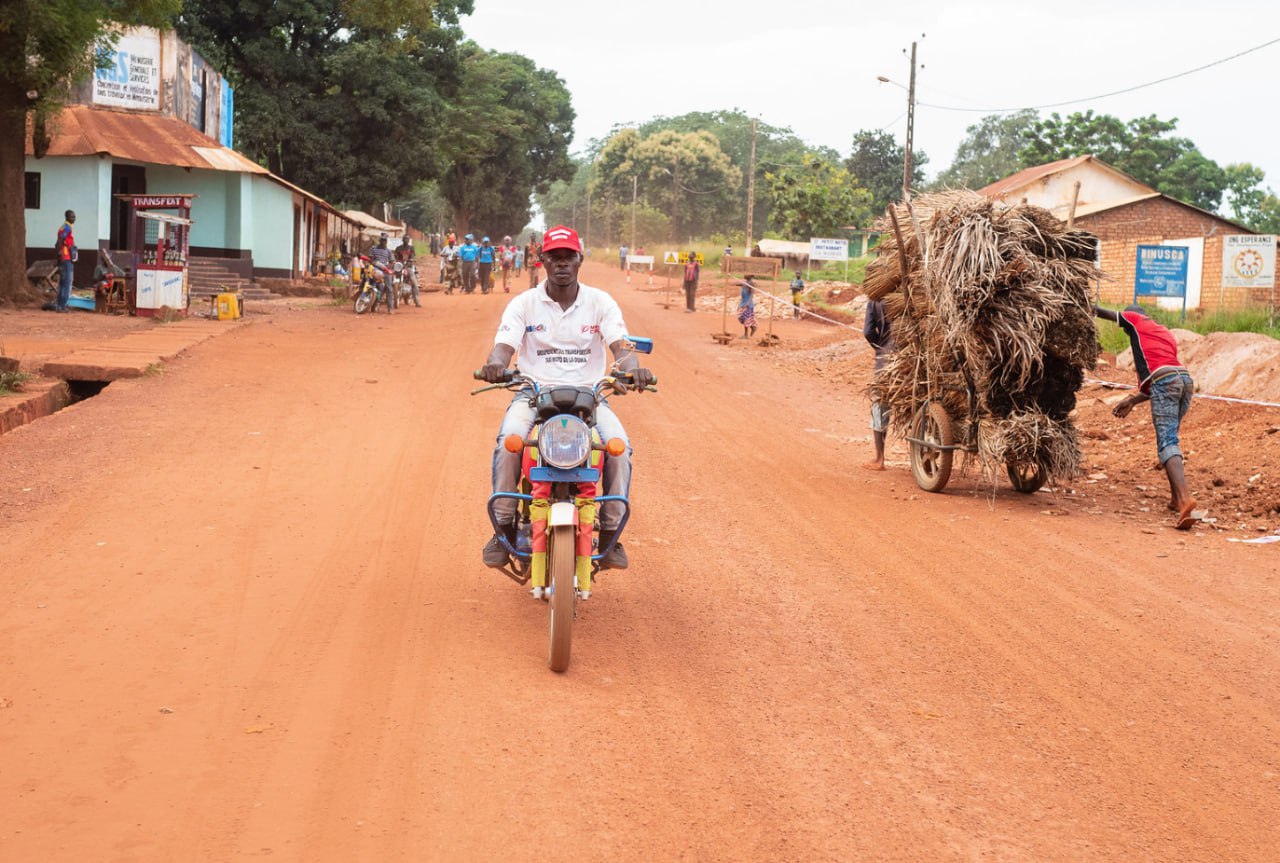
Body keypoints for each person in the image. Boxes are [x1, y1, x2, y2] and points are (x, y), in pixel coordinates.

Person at [477, 225, 654, 576]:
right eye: (554, 257)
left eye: (568, 257)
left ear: (579, 260)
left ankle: (610, 535)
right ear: (541, 259)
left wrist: (634, 369)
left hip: (591, 395)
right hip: (533, 393)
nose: (561, 264)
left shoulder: (600, 302)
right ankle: (504, 527)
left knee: (620, 447)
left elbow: (621, 347)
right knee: (509, 443)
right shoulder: (524, 304)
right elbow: (504, 347)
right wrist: (496, 365)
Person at [1095, 303, 1199, 529]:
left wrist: (1078, 302)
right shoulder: (1164, 333)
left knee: (1167, 441)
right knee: (1170, 438)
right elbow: (1162, 373)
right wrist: (1132, 401)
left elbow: (1103, 313)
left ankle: (1184, 500)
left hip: (1166, 382)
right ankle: (1175, 499)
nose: (1125, 330)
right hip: (1184, 381)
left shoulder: (1136, 319)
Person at [862, 298, 895, 470]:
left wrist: (880, 348)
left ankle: (879, 458)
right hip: (914, 358)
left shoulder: (875, 300)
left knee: (880, 403)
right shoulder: (912, 290)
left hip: (886, 360)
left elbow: (868, 331)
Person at [54, 210, 77, 313]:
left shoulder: (62, 226)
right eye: (72, 217)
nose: (74, 218)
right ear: (67, 217)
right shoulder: (67, 227)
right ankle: (63, 306)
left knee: (62, 282)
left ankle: (59, 305)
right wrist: (59, 252)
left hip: (63, 257)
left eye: (74, 216)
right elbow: (61, 240)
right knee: (67, 282)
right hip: (66, 257)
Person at [366, 232, 396, 313]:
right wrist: (374, 263)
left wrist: (387, 266)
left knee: (389, 288)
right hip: (375, 269)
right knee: (368, 282)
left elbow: (392, 262)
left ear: (386, 241)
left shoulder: (389, 251)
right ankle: (364, 299)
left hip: (385, 270)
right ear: (380, 240)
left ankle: (390, 308)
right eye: (382, 240)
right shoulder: (373, 248)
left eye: (385, 240)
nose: (383, 242)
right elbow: (371, 259)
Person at [396, 235, 421, 307]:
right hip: (399, 267)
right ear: (402, 240)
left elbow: (412, 257)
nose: (406, 240)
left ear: (409, 240)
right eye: (404, 239)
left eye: (407, 239)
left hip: (408, 267)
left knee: (414, 283)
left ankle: (417, 301)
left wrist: (410, 261)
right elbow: (395, 256)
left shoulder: (411, 248)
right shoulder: (398, 248)